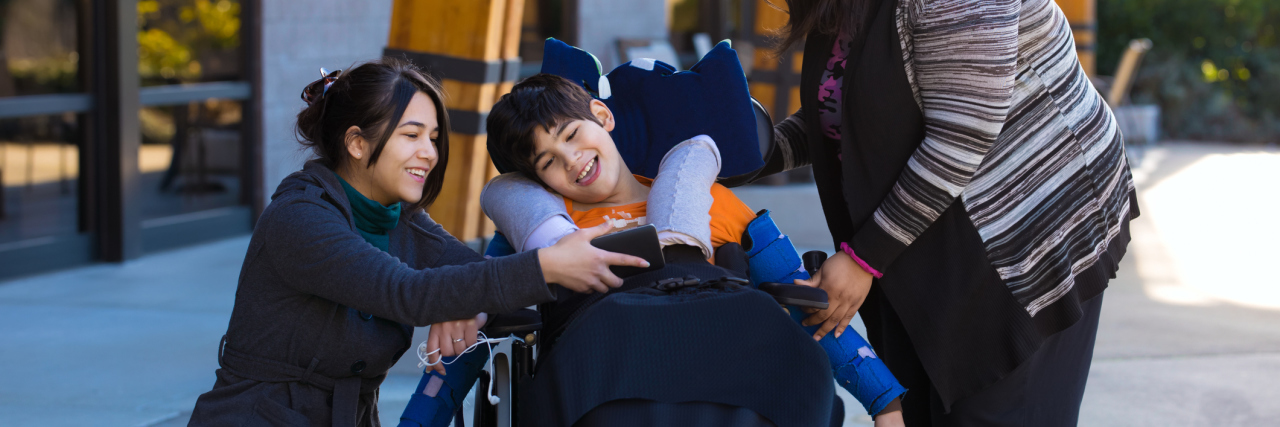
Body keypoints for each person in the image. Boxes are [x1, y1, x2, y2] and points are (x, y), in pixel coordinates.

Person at [186, 59, 649, 427]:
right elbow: (406, 293)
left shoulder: (402, 220)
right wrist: (546, 265)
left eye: (433, 137)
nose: (429, 152)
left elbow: (484, 285)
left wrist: (467, 304)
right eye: (411, 136)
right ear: (356, 143)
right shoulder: (300, 218)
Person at [760, 0, 1139, 425]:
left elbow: (961, 135)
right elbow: (847, 108)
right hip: (937, 226)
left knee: (996, 409)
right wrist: (755, 151)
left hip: (1034, 218)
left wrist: (863, 258)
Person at [450, 73, 905, 425]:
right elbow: (461, 333)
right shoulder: (543, 227)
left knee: (789, 355)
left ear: (603, 117)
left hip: (733, 355)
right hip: (609, 362)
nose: (571, 160)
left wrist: (885, 403)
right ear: (537, 180)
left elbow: (802, 296)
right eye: (548, 161)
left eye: (570, 135)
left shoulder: (710, 200)